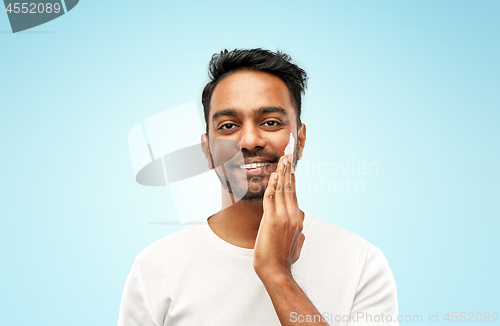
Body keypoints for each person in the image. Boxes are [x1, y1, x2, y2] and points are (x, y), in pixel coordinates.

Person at [118, 48, 398, 326]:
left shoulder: (360, 264)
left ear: (300, 139)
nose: (249, 140)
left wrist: (277, 274)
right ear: (207, 149)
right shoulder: (155, 269)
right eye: (228, 126)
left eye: (271, 122)